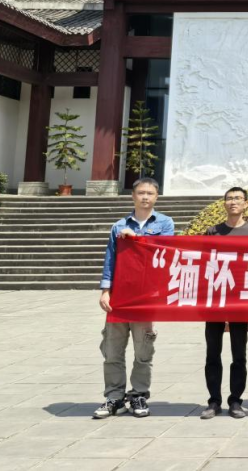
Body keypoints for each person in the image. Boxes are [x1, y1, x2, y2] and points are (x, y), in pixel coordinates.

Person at [94, 178, 175, 419]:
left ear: (156, 197)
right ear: (133, 196)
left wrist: (137, 239)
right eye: (141, 193)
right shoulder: (119, 226)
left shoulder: (165, 223)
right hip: (120, 296)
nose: (145, 197)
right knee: (112, 349)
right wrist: (105, 290)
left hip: (146, 296)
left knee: (143, 350)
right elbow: (110, 259)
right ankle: (114, 397)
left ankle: (139, 394)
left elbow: (165, 252)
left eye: (150, 193)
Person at [200, 187, 248, 420]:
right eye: (229, 198)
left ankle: (236, 400)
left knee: (239, 352)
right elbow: (204, 262)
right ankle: (214, 400)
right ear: (224, 203)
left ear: (246, 204)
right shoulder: (213, 231)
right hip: (215, 298)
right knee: (212, 352)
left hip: (240, 298)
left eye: (238, 198)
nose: (233, 202)